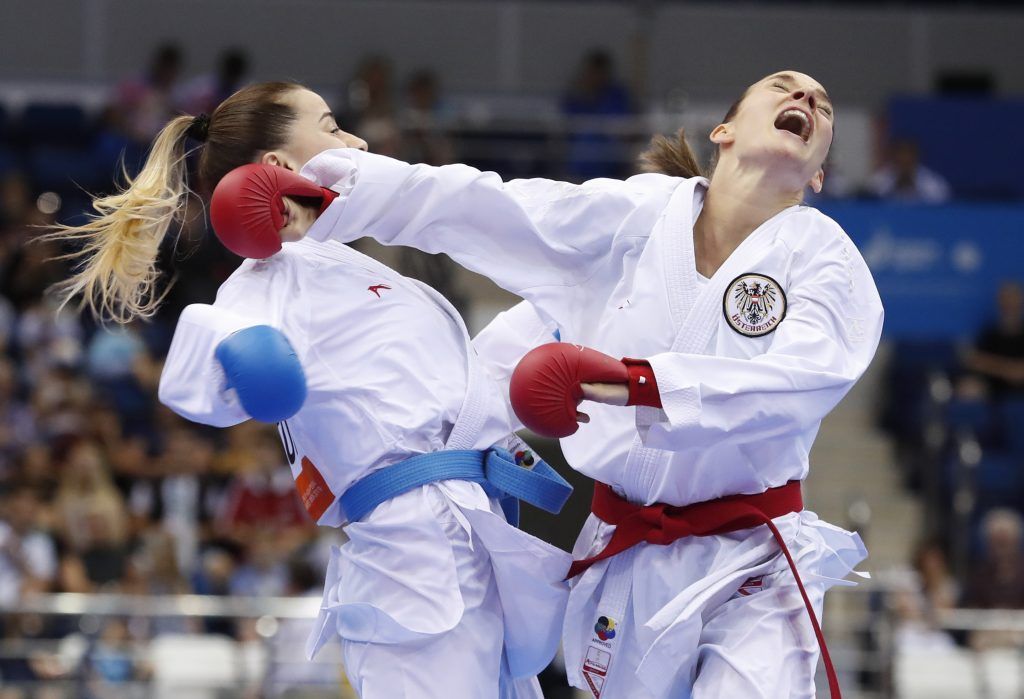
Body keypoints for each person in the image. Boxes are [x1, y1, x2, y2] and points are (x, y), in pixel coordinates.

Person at [280, 70, 884, 698]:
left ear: (818, 173)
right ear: (723, 131)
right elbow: (487, 208)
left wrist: (637, 384)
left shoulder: (825, 255)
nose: (805, 99)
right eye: (783, 87)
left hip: (753, 558)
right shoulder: (636, 218)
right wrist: (337, 193)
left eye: (823, 105)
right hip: (625, 556)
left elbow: (803, 378)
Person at [44, 81, 573, 698]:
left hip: (463, 532)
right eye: (331, 126)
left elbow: (460, 390)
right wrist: (243, 354)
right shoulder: (271, 277)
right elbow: (198, 377)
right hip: (413, 558)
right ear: (278, 165)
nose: (357, 141)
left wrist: (557, 317)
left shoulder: (341, 267)